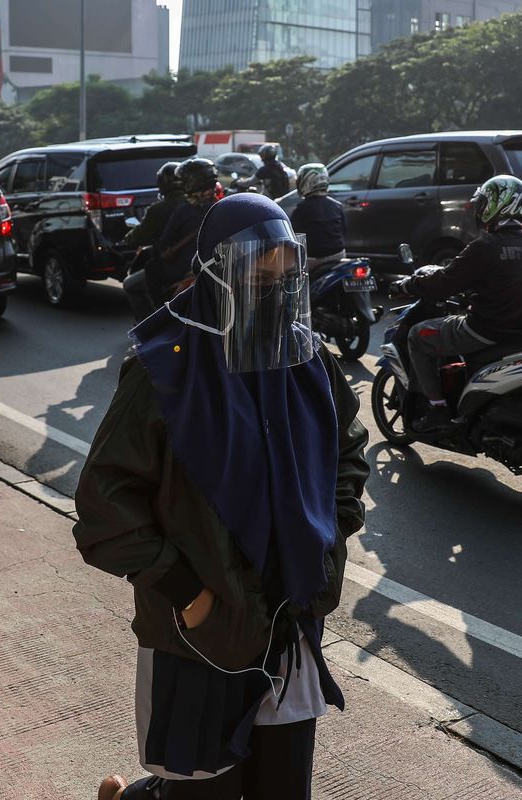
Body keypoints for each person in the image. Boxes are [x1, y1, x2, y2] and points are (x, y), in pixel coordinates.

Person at [76, 193, 369, 800]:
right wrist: (192, 594)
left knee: (282, 788)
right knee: (195, 788)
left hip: (290, 622)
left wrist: (332, 536)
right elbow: (107, 505)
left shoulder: (305, 354)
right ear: (213, 274)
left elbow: (346, 450)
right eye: (257, 278)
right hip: (199, 636)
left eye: (287, 278)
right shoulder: (166, 371)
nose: (276, 292)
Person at [393, 175, 522, 435]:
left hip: (484, 330)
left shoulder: (486, 246)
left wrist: (408, 286)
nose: (479, 209)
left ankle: (438, 409)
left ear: (498, 205)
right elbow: (510, 282)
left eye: (484, 202)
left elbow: (444, 282)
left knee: (418, 336)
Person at [122, 161, 187, 322]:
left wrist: (129, 237)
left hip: (174, 266)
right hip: (199, 264)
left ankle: (148, 328)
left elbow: (138, 237)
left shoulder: (159, 209)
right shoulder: (201, 205)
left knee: (130, 285)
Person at [150, 158, 220, 302]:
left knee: (151, 267)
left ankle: (157, 318)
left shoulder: (184, 211)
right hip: (216, 266)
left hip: (186, 268)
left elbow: (164, 242)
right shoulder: (222, 205)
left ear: (191, 182)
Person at [289, 163, 347, 276]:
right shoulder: (336, 205)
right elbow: (344, 229)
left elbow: (293, 235)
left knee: (293, 278)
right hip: (339, 254)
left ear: (305, 182)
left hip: (314, 259)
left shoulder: (302, 208)